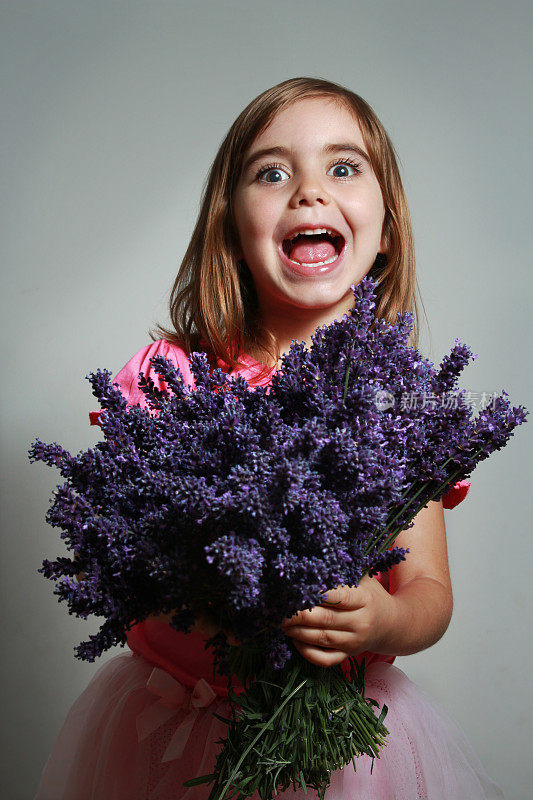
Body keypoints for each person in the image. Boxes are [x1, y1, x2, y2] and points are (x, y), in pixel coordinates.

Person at [34, 77, 504, 799]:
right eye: (272, 171)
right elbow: (131, 558)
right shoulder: (172, 381)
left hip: (338, 745)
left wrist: (381, 620)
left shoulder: (401, 406)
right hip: (177, 730)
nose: (308, 191)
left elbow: (429, 593)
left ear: (386, 231)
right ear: (230, 227)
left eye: (342, 167)